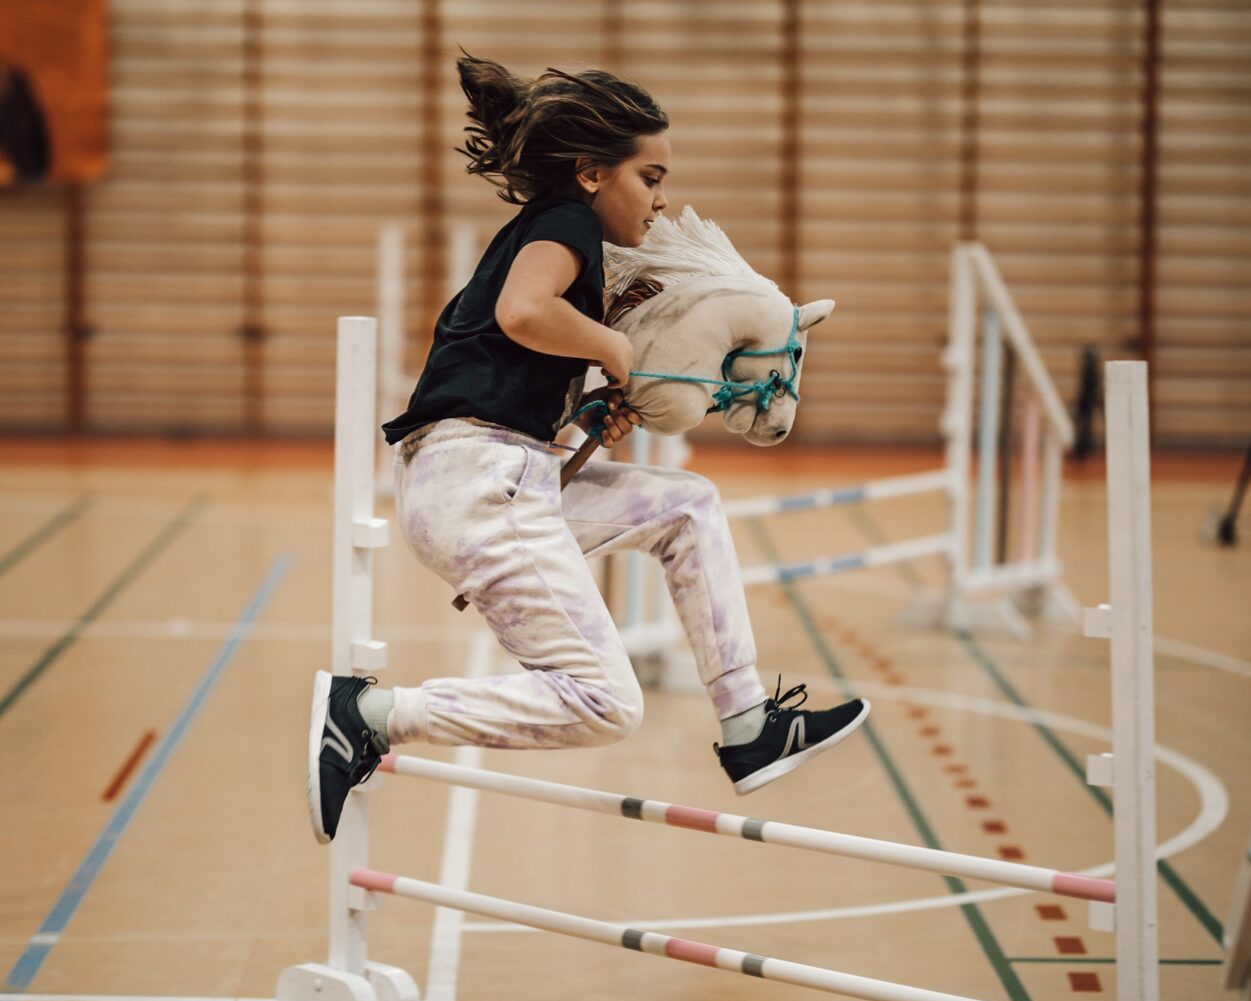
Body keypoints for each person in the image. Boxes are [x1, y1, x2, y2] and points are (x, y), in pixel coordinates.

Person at [309, 54, 868, 844]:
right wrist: (612, 346)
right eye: (651, 177)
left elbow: (516, 357)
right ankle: (368, 716)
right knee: (606, 704)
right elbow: (522, 312)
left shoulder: (568, 236)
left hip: (496, 473)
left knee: (687, 504)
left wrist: (585, 409)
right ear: (591, 173)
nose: (662, 199)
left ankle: (749, 725)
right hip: (481, 481)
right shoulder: (565, 221)